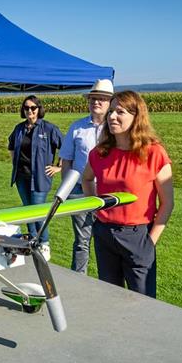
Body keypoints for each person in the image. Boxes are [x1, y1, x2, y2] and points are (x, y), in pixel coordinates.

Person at [82, 90, 174, 298]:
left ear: (136, 117)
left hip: (138, 235)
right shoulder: (100, 153)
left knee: (142, 301)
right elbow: (86, 179)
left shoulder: (153, 152)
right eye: (111, 111)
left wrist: (150, 241)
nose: (112, 116)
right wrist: (96, 208)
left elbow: (167, 202)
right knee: (110, 297)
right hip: (105, 233)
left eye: (120, 112)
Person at [60, 79, 113, 273]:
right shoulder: (77, 127)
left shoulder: (115, 129)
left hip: (107, 194)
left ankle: (107, 279)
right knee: (82, 241)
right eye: (93, 99)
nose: (96, 102)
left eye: (101, 99)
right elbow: (66, 160)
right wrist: (65, 190)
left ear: (109, 103)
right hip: (80, 192)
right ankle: (79, 278)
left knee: (106, 239)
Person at [7, 95, 63, 259]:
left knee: (38, 211)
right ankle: (32, 241)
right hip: (21, 177)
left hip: (39, 177)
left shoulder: (48, 129)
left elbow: (65, 146)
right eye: (26, 108)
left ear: (39, 109)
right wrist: (15, 163)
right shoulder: (19, 128)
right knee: (27, 210)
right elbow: (11, 145)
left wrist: (58, 167)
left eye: (33, 108)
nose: (29, 111)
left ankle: (44, 243)